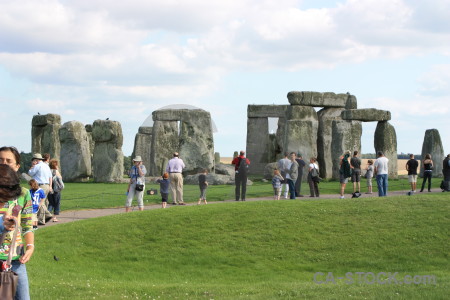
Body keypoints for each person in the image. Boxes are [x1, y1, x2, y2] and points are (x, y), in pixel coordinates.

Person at [0, 146, 35, 300]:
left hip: (16, 261)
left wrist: (30, 247)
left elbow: (28, 225)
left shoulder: (24, 194)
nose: (4, 164)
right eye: (1, 160)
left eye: (9, 161)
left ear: (17, 166)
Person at [28, 153, 53, 224]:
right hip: (47, 185)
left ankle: (43, 218)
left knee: (39, 202)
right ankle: (44, 217)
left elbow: (30, 173)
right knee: (43, 202)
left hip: (40, 185)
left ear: (36, 160)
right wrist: (50, 186)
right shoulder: (46, 166)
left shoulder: (37, 166)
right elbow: (50, 177)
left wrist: (32, 166)